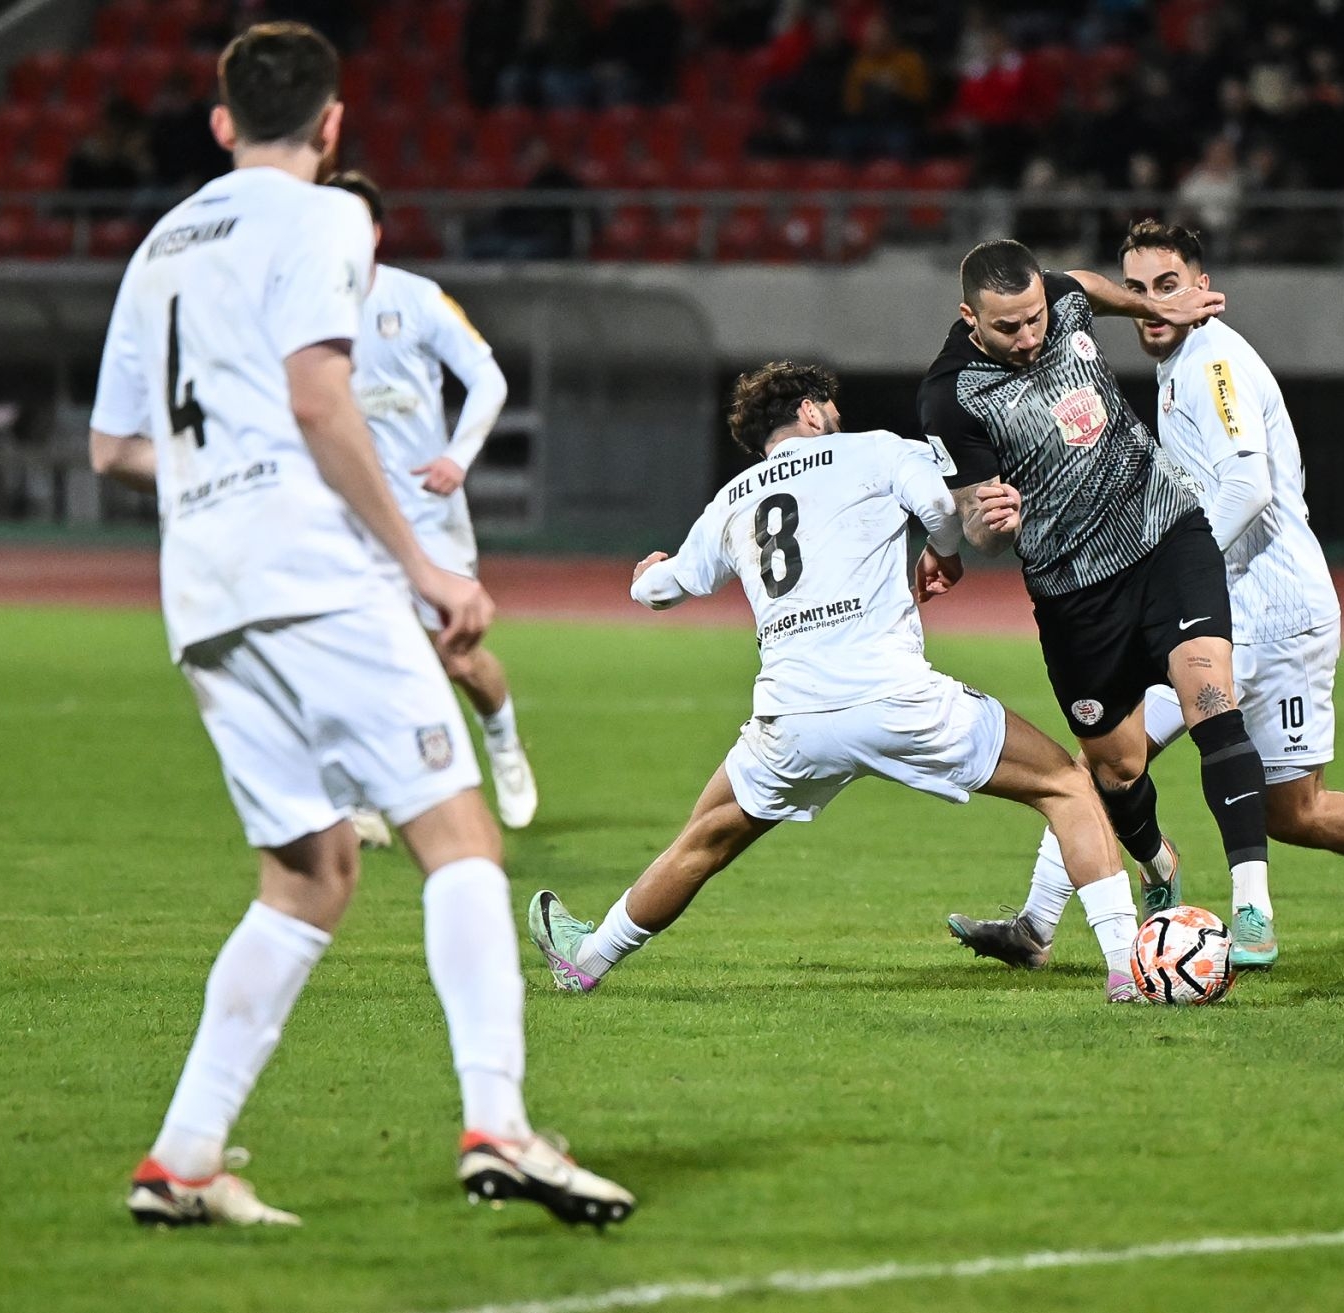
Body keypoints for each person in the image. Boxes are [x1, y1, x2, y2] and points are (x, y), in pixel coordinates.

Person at [87, 23, 631, 1229]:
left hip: (203, 591)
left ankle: (180, 1159)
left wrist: (216, 478)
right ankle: (500, 1121)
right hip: (313, 571)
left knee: (310, 871)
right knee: (458, 834)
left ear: (221, 123)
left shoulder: (160, 244)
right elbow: (318, 395)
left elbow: (114, 448)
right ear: (332, 126)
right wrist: (423, 567)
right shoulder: (330, 216)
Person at [949, 222, 1344, 968]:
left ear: (1202, 286)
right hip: (1217, 602)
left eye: (1169, 285)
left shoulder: (1215, 360)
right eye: (1139, 289)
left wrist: (1165, 568)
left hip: (1272, 605)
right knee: (1110, 761)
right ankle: (1038, 923)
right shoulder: (1171, 363)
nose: (1151, 304)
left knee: (1294, 811)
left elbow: (1248, 484)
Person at [525, 363, 1144, 1001]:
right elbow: (938, 504)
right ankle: (1130, 968)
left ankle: (587, 960)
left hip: (793, 720)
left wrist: (642, 576)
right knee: (1068, 785)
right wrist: (946, 552)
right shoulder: (876, 449)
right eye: (832, 409)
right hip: (898, 700)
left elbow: (663, 589)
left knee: (701, 842)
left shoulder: (734, 499)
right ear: (813, 412)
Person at [919, 239, 1282, 970]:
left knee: (1212, 703)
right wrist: (991, 523)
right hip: (1075, 593)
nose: (1029, 337)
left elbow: (1085, 284)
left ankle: (1253, 908)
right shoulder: (951, 396)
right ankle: (1158, 867)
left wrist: (1153, 304)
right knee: (1114, 771)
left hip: (1164, 536)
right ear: (970, 318)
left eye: (1036, 319)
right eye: (1009, 328)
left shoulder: (1062, 300)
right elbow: (977, 527)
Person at [326, 171, 539, 840]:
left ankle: (502, 740)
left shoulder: (415, 299)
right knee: (351, 653)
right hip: (349, 516)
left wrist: (457, 457)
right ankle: (357, 795)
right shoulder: (298, 309)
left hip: (427, 512)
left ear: (378, 232)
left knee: (457, 656)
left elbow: (489, 379)